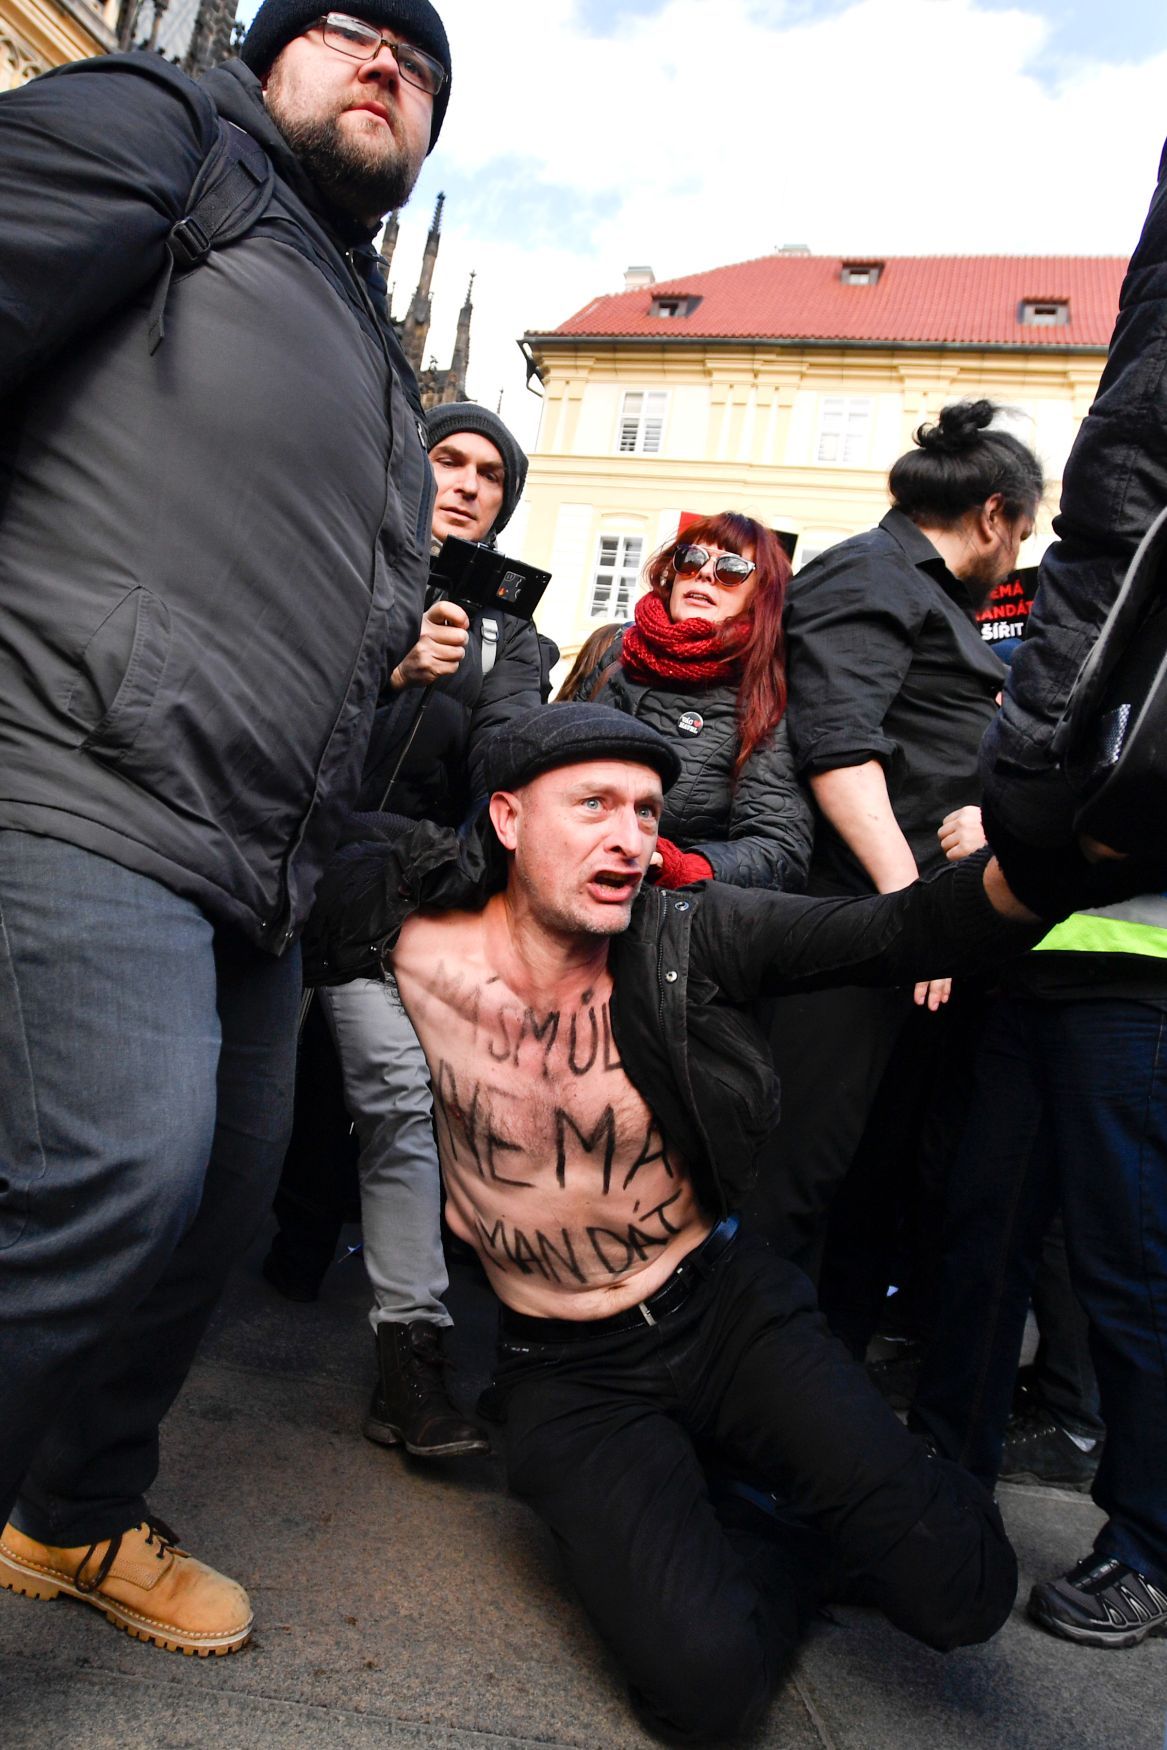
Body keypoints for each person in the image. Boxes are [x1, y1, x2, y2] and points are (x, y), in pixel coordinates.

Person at [303, 702, 1042, 1741]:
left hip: (727, 1312)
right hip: (566, 1370)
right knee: (702, 1691)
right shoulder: (411, 935)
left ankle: (840, 1491)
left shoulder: (689, 934)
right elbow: (312, 806)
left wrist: (1060, 853)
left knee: (964, 1592)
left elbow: (898, 929)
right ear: (508, 817)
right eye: (594, 804)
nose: (629, 836)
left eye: (648, 811)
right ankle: (776, 1521)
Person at [0, 0, 450, 1658]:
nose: (390, 66)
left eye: (422, 70)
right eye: (348, 33)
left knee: (213, 1203)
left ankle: (67, 1518)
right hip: (75, 750)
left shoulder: (369, 344)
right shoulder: (167, 135)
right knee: (108, 1165)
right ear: (264, 60)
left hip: (261, 848)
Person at [966, 138, 1167, 1648]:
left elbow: (1112, 550)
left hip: (1127, 935)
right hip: (1068, 930)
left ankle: (1150, 1541)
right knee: (1030, 1239)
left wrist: (1058, 821)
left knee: (1128, 1265)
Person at [265, 402, 547, 1460]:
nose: (469, 483)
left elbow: (502, 774)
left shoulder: (511, 633)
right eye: (450, 460)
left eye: (491, 475)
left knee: (393, 1097)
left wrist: (473, 693)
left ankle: (409, 1360)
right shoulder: (338, 566)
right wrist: (393, 677)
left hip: (390, 893)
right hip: (271, 862)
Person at [750, 403, 1043, 1349]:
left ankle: (807, 1400)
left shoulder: (923, 595)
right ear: (994, 515)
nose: (1021, 551)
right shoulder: (869, 574)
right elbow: (838, 754)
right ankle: (730, 1405)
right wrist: (911, 917)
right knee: (796, 1185)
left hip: (896, 937)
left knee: (860, 1185)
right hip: (848, 931)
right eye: (1026, 529)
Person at [573, 513, 812, 892]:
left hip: (664, 914)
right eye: (692, 559)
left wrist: (677, 866)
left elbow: (778, 848)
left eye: (731, 568)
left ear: (761, 595)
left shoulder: (766, 694)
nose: (703, 574)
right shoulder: (616, 655)